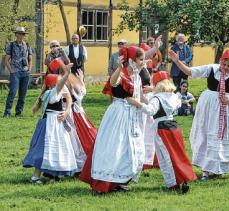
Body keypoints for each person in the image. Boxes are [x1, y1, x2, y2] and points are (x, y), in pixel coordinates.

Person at [168, 49, 229, 180]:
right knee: (207, 133)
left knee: (221, 135)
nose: (225, 68)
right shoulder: (211, 69)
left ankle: (218, 168)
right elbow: (190, 71)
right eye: (224, 64)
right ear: (220, 62)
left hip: (226, 107)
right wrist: (177, 61)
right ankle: (206, 169)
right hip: (209, 106)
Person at [80, 46, 146, 194]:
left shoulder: (137, 76)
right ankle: (103, 182)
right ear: (131, 60)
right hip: (118, 114)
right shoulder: (121, 74)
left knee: (129, 148)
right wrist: (118, 67)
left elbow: (140, 96)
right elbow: (113, 82)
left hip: (132, 116)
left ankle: (121, 180)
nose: (143, 62)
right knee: (113, 147)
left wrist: (155, 104)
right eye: (141, 59)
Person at [127, 71, 197, 193]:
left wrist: (137, 103)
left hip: (161, 127)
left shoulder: (157, 98)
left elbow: (151, 110)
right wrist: (143, 98)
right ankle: (177, 180)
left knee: (165, 156)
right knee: (176, 155)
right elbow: (163, 106)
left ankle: (175, 182)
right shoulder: (174, 96)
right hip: (173, 126)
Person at [23, 63, 80, 184]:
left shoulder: (47, 92)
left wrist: (66, 111)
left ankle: (51, 173)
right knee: (47, 148)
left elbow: (68, 96)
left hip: (50, 121)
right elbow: (62, 85)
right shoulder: (54, 92)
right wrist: (67, 73)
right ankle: (36, 176)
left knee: (50, 148)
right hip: (52, 123)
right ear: (54, 83)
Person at [3, 27, 32, 118]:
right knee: (13, 92)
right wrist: (11, 70)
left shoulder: (27, 45)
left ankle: (18, 113)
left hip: (25, 72)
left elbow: (30, 59)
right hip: (15, 72)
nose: (21, 35)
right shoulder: (11, 45)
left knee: (22, 94)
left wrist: (29, 70)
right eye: (19, 33)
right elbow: (6, 60)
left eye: (22, 34)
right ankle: (7, 113)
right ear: (16, 34)